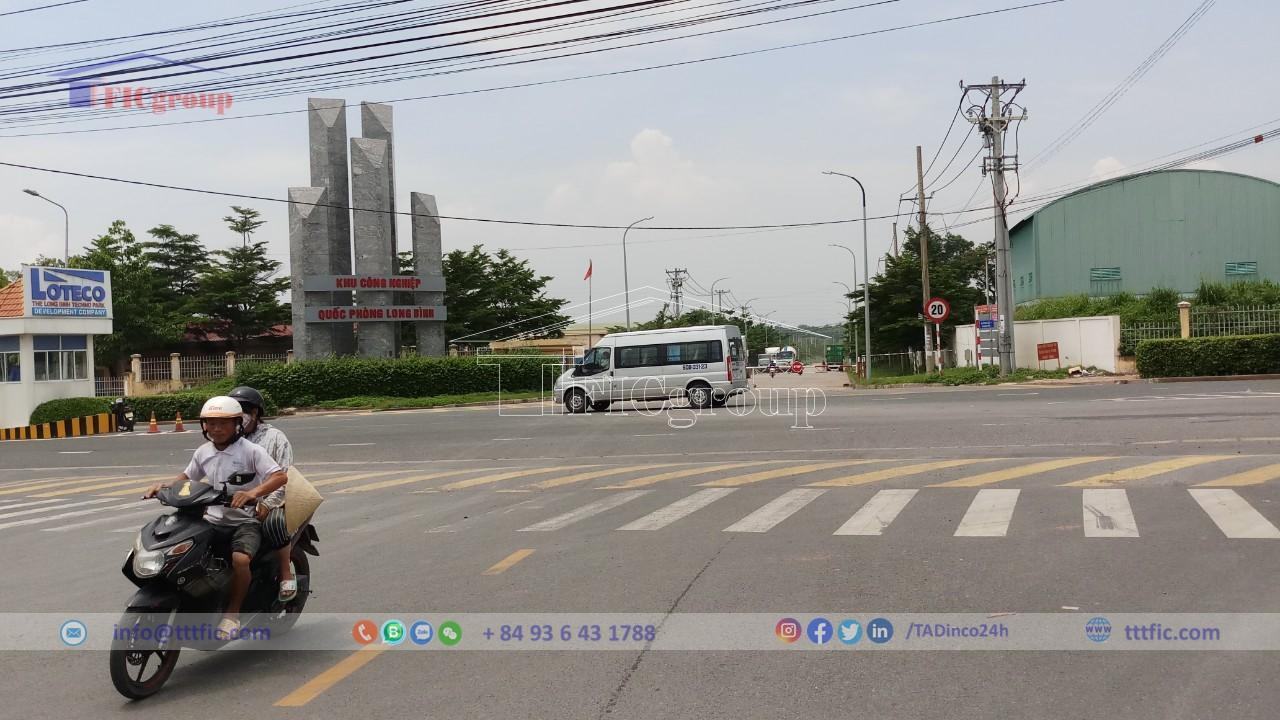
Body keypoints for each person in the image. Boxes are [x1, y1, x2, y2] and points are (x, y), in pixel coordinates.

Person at [143, 396, 287, 641]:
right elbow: (188, 476)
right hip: (212, 519)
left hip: (244, 521)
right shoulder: (203, 452)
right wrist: (164, 487)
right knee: (185, 552)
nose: (216, 429)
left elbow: (279, 477)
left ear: (237, 424)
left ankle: (232, 614)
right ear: (204, 425)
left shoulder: (251, 451)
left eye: (223, 423)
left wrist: (252, 493)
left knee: (240, 559)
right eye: (210, 423)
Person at [228, 385, 298, 603]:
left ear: (255, 413)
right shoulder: (227, 438)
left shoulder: (275, 438)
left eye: (242, 411)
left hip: (271, 500)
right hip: (236, 501)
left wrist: (266, 504)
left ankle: (286, 572)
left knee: (274, 523)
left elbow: (284, 477)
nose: (238, 418)